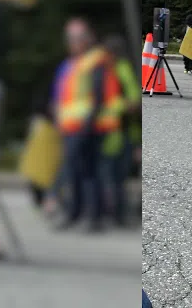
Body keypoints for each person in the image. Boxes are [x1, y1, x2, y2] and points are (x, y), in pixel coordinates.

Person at [52, 17, 124, 231]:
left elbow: (98, 96)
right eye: (70, 39)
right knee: (78, 172)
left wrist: (86, 124)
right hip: (74, 126)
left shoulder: (94, 61)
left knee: (87, 173)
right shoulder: (78, 62)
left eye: (75, 39)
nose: (71, 43)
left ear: (86, 40)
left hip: (87, 126)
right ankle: (77, 214)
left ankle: (91, 217)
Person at [102, 34, 140, 226]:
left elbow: (133, 101)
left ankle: (118, 214)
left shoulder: (120, 69)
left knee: (115, 176)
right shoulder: (111, 70)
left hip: (121, 132)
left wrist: (113, 107)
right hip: (114, 132)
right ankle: (116, 213)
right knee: (113, 176)